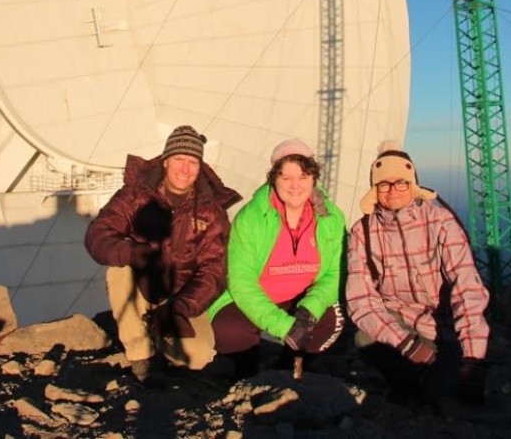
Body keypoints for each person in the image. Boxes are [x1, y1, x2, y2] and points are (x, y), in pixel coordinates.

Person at [84, 125, 242, 382]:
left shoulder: (210, 211)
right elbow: (98, 234)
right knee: (119, 270)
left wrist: (180, 308)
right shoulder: (135, 195)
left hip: (182, 294)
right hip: (143, 287)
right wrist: (132, 253)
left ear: (200, 166)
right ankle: (140, 354)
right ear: (166, 160)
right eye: (179, 159)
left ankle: (159, 332)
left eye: (192, 162)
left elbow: (213, 270)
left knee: (197, 357)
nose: (185, 169)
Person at [345, 141, 490, 409]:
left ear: (413, 184)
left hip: (444, 328)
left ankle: (432, 376)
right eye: (384, 184)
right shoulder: (362, 232)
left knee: (443, 397)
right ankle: (407, 384)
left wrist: (473, 360)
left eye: (401, 182)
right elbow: (360, 300)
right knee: (365, 339)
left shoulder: (441, 222)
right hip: (401, 324)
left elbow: (466, 289)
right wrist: (408, 346)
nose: (393, 190)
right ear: (374, 190)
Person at [208, 138, 347, 377]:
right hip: (256, 297)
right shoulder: (252, 217)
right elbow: (241, 281)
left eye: (303, 177)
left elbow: (335, 273)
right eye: (286, 178)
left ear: (314, 179)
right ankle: (245, 375)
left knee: (330, 318)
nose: (295, 186)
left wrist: (308, 310)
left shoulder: (331, 217)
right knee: (230, 329)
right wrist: (284, 327)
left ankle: (290, 369)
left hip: (301, 298)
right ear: (273, 179)